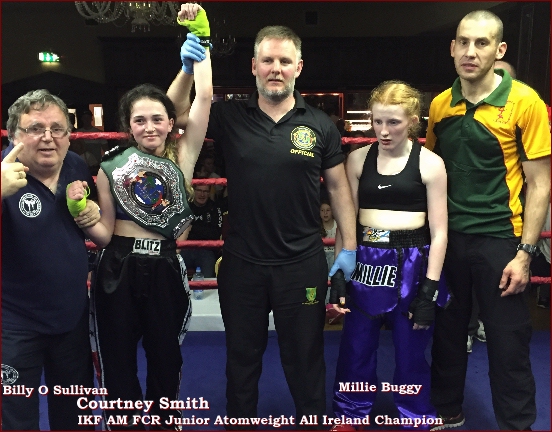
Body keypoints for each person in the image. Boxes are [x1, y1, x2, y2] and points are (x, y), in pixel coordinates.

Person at [168, 15, 358, 429]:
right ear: (253, 66)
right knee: (241, 359)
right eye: (268, 60)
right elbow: (175, 114)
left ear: (298, 68)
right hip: (242, 263)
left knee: (306, 358)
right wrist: (186, 71)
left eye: (284, 61)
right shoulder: (229, 116)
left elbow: (339, 188)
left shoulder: (319, 124)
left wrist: (349, 247)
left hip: (302, 263)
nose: (276, 69)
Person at [70, 4, 213, 429]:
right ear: (128, 126)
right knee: (116, 357)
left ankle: (164, 421)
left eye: (157, 119)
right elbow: (104, 233)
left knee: (166, 355)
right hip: (117, 265)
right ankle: (123, 423)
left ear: (170, 123)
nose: (149, 126)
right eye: (139, 120)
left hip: (165, 264)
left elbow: (203, 98)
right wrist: (83, 215)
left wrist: (201, 41)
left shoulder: (182, 158)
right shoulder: (111, 167)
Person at [426, 10, 550, 430]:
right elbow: (432, 172)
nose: (470, 51)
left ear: (499, 50)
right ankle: (447, 410)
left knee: (507, 340)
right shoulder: (440, 105)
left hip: (501, 239)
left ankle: (517, 425)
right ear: (452, 48)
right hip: (449, 239)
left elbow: (541, 183)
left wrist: (525, 254)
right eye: (463, 42)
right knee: (447, 332)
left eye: (481, 43)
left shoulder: (525, 102)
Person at [330, 81, 449, 430]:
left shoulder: (430, 164)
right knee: (356, 345)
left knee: (411, 347)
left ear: (412, 120)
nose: (383, 131)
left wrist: (429, 289)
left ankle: (415, 414)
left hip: (413, 261)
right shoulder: (357, 159)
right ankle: (350, 411)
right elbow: (346, 222)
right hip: (366, 259)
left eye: (393, 122)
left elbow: (440, 232)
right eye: (377, 121)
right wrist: (339, 272)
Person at [1, 89, 101, 430]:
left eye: (57, 128)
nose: (48, 137)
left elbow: (83, 212)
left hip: (71, 318)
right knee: (16, 420)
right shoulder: (2, 172)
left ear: (69, 135)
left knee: (76, 418)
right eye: (35, 128)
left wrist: (91, 210)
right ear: (14, 135)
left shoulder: (74, 164)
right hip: (14, 325)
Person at [180, 181, 224, 278]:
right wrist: (203, 229)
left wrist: (191, 228)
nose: (202, 194)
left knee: (208, 279)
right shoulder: (185, 206)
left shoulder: (215, 208)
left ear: (209, 193)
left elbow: (215, 234)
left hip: (206, 250)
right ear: (193, 191)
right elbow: (178, 231)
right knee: (172, 271)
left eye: (205, 191)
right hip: (185, 248)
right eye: (199, 190)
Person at [75, 109, 109, 175]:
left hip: (96, 165)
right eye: (84, 118)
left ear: (91, 119)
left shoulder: (99, 133)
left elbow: (106, 150)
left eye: (88, 117)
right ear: (82, 119)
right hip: (80, 165)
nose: (86, 120)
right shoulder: (77, 133)